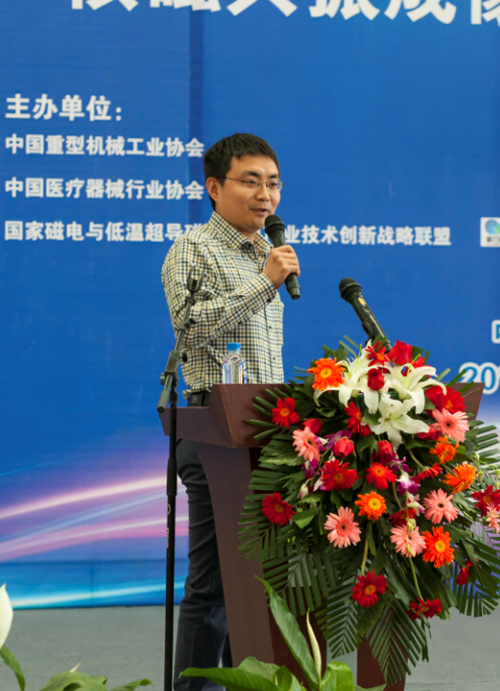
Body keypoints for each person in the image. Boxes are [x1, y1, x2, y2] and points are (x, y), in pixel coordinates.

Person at [161, 133, 300, 691]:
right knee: (216, 582)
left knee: (258, 585)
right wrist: (264, 282)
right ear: (215, 188)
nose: (266, 195)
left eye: (274, 183)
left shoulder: (268, 254)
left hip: (269, 435)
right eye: (251, 181)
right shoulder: (192, 248)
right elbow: (190, 329)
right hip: (214, 434)